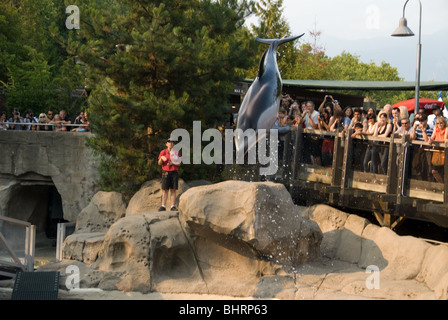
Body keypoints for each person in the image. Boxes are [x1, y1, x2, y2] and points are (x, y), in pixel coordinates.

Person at [158, 139, 181, 211]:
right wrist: (161, 158)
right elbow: (159, 163)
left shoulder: (176, 152)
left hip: (174, 172)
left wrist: (173, 163)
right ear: (166, 144)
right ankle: (163, 206)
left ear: (173, 144)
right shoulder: (163, 152)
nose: (170, 144)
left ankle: (172, 206)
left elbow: (179, 163)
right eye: (169, 142)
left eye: (172, 142)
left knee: (173, 189)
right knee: (165, 189)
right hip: (166, 172)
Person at [410, 114, 433, 181]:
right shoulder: (417, 129)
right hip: (418, 149)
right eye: (420, 121)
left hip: (427, 149)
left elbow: (426, 140)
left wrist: (423, 130)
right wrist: (414, 129)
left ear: (426, 120)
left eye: (422, 121)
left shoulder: (430, 129)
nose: (421, 122)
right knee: (416, 165)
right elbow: (412, 138)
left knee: (427, 166)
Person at [298, 100, 321, 165]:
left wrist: (310, 117)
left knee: (315, 153)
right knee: (307, 151)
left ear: (313, 107)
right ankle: (309, 165)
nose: (308, 108)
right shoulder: (305, 113)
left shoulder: (316, 113)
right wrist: (303, 115)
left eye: (310, 106)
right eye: (307, 106)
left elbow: (314, 126)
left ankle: (318, 167)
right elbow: (299, 122)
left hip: (314, 135)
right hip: (306, 134)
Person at [428, 116, 447, 183]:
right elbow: (432, 137)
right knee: (434, 171)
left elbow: (444, 140)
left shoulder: (446, 129)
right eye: (438, 123)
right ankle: (441, 184)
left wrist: (435, 141)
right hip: (437, 151)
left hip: (445, 152)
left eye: (441, 123)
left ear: (444, 123)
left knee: (444, 171)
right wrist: (430, 140)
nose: (439, 125)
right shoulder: (436, 129)